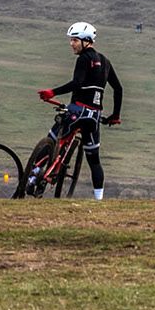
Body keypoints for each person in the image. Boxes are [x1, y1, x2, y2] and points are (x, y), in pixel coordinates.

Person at [30, 22, 124, 199]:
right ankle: (99, 199)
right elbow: (118, 89)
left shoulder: (84, 59)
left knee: (51, 138)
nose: (71, 44)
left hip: (77, 111)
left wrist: (52, 92)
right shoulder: (106, 62)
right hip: (94, 117)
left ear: (86, 41)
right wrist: (115, 115)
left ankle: (33, 174)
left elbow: (77, 84)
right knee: (94, 159)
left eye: (75, 40)